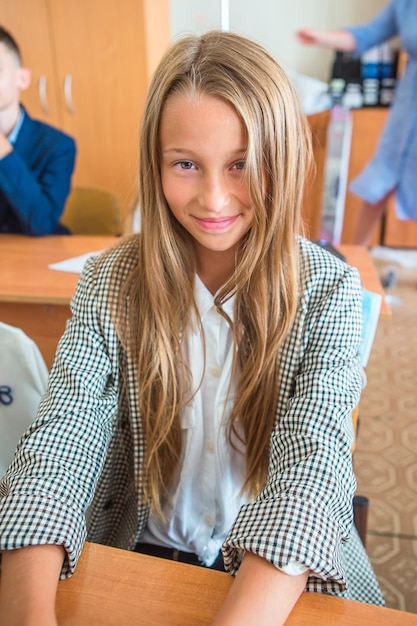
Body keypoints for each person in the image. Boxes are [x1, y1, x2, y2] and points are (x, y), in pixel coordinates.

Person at [0, 30, 384, 626]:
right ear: (156, 165)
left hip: (276, 573)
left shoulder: (327, 293)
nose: (213, 197)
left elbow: (312, 471)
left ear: (279, 160)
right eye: (186, 164)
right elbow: (59, 445)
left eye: (242, 165)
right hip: (138, 546)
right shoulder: (109, 282)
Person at [297, 0, 417, 246]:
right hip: (406, 109)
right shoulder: (405, 5)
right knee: (379, 179)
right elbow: (367, 34)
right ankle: (355, 257)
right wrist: (322, 37)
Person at [0, 26, 76, 235]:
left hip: (40, 255)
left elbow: (42, 222)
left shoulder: (59, 146)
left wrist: (3, 152)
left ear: (22, 78)